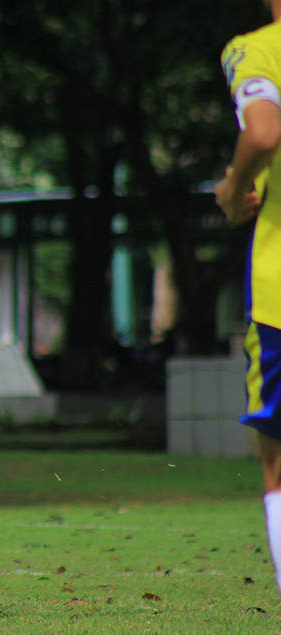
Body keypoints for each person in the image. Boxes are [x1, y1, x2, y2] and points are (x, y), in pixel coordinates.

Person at [215, 0, 281, 598]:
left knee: (277, 462)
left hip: (279, 292)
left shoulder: (256, 48)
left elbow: (263, 130)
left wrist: (234, 188)